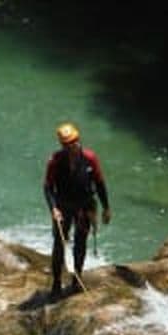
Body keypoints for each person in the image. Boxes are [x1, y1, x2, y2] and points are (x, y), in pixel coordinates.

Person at [43, 122, 111, 299]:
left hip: (84, 206)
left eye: (74, 142)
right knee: (59, 243)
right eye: (67, 144)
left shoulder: (89, 158)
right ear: (62, 145)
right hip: (63, 206)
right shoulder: (55, 160)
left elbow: (100, 183)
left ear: (78, 140)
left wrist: (106, 208)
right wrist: (53, 208)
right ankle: (56, 283)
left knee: (80, 242)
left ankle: (77, 278)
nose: (72, 146)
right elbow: (48, 187)